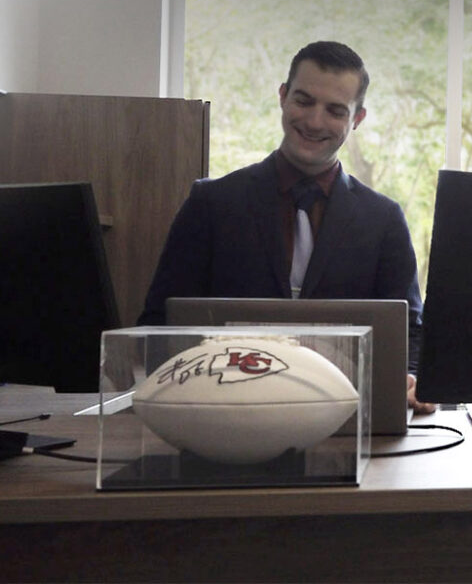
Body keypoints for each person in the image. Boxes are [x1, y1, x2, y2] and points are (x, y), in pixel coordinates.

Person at [139, 41, 434, 413]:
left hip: (348, 417)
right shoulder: (211, 203)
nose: (314, 122)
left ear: (357, 119)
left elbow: (410, 331)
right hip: (222, 413)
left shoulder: (384, 219)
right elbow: (159, 322)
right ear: (282, 96)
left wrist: (411, 378)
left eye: (335, 111)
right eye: (304, 101)